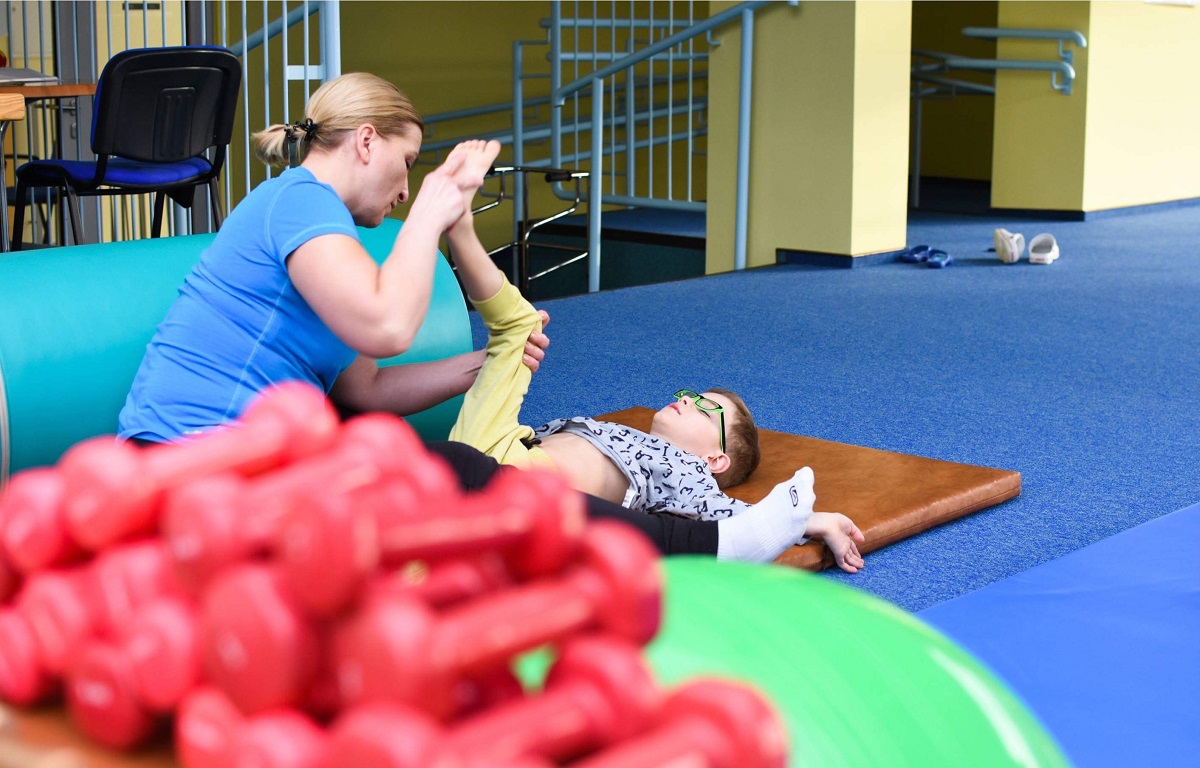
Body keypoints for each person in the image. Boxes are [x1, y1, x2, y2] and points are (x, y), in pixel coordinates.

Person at [115, 71, 848, 566]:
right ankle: (719, 547)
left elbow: (366, 388)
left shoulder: (324, 239)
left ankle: (718, 541)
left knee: (452, 475)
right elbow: (387, 328)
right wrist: (434, 213)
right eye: (406, 164)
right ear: (366, 142)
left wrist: (481, 364)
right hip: (186, 471)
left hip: (243, 472)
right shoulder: (296, 200)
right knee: (454, 473)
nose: (404, 190)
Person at [442, 150, 865, 572]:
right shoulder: (628, 436)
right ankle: (459, 227)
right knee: (524, 327)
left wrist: (810, 520)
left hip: (519, 483)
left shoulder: (684, 470)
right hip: (507, 446)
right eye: (691, 395)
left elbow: (731, 514)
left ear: (714, 460)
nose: (686, 400)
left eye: (705, 408)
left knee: (517, 331)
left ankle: (459, 229)